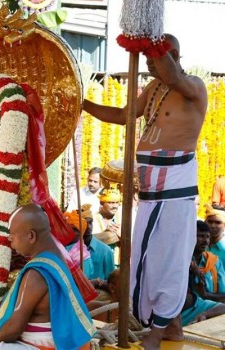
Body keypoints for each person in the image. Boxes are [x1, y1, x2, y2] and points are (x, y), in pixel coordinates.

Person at [83, 34, 207, 349]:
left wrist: (149, 38)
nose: (149, 64)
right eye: (147, 59)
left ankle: (156, 332)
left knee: (168, 261)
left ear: (172, 54)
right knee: (144, 260)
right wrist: (82, 105)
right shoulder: (152, 89)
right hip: (150, 194)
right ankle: (172, 329)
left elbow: (175, 76)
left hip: (175, 192)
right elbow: (123, 116)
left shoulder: (193, 88)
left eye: (153, 59)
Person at [0, 204, 95, 350]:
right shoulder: (56, 257)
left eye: (12, 237)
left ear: (31, 236)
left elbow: (14, 328)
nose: (11, 244)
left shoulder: (37, 273)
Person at [65, 206, 115, 282]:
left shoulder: (105, 251)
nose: (88, 227)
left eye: (90, 222)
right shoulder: (67, 250)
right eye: (84, 223)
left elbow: (111, 282)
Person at [190, 221, 225, 302]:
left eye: (208, 237)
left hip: (212, 310)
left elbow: (223, 295)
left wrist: (206, 295)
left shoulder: (214, 261)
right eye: (201, 236)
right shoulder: (182, 261)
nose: (205, 241)